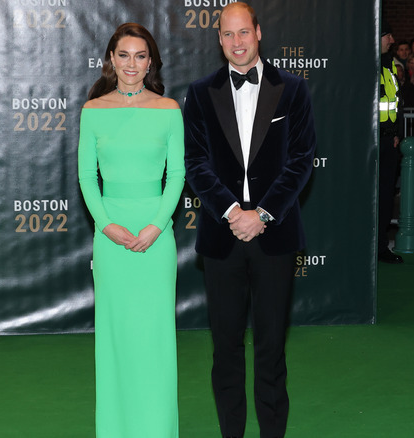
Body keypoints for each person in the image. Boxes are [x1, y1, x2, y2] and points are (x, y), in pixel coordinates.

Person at [182, 3, 316, 437]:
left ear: (258, 32)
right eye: (228, 35)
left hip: (273, 235)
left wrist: (260, 213)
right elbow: (195, 164)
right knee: (225, 350)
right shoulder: (201, 93)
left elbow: (300, 161)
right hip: (222, 238)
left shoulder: (293, 90)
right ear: (218, 40)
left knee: (272, 348)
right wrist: (231, 212)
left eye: (244, 32)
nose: (237, 42)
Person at [78, 22, 184, 438]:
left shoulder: (169, 109)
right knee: (116, 338)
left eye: (141, 56)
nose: (132, 64)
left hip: (157, 239)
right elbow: (88, 178)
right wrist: (106, 227)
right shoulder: (93, 110)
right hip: (111, 240)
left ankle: (157, 429)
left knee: (154, 339)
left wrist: (157, 226)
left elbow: (176, 174)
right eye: (124, 55)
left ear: (151, 62)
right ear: (110, 59)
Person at [378, 23, 404, 264]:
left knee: (386, 196)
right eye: (388, 35)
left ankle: (380, 247)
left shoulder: (389, 65)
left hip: (387, 141)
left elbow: (396, 102)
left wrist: (396, 132)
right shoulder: (362, 64)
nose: (392, 40)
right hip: (368, 144)